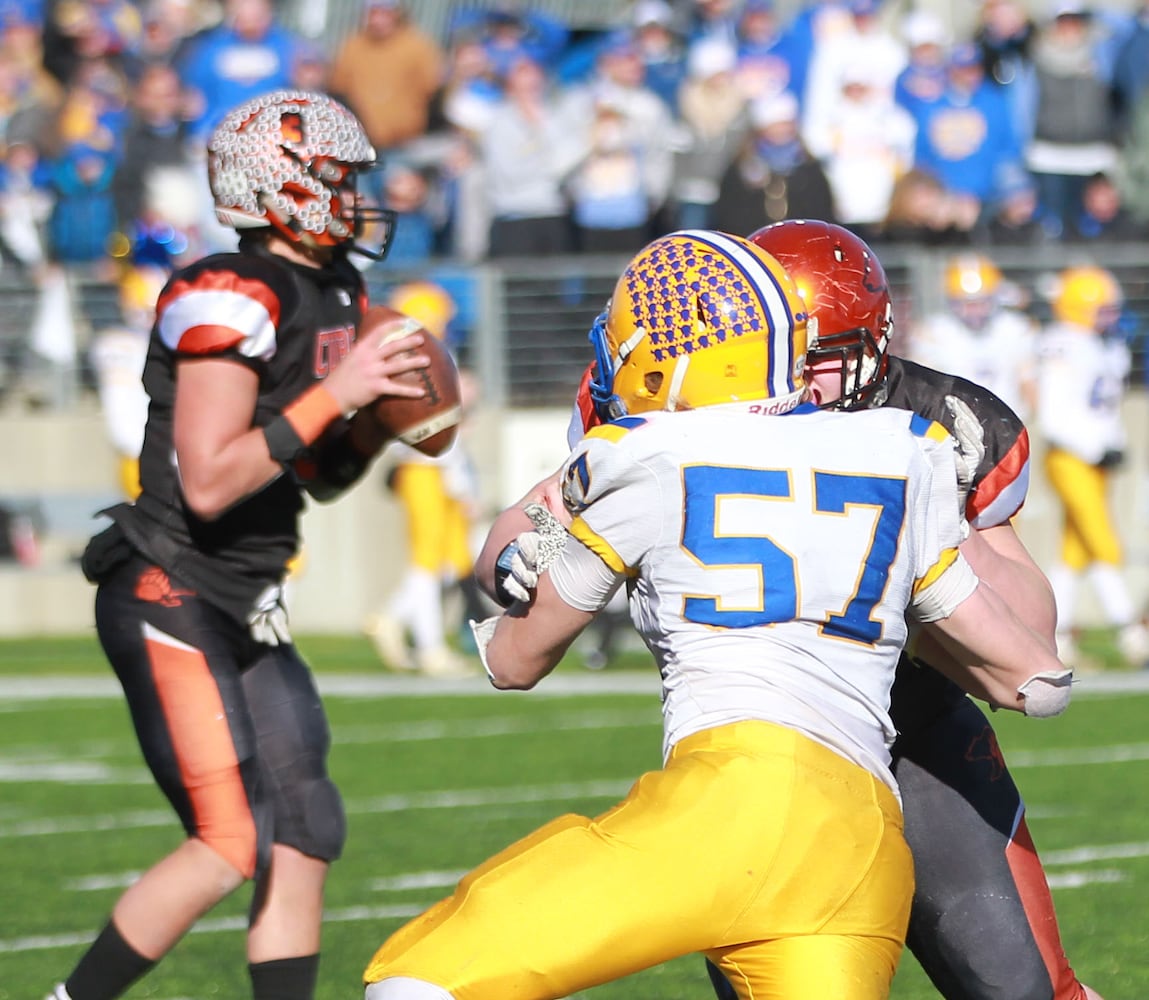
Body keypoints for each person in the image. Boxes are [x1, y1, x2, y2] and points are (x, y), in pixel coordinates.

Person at [362, 230, 1073, 1000]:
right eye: (788, 347)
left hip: (900, 733)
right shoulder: (878, 446)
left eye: (819, 353)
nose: (803, 374)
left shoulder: (911, 428)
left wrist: (924, 549)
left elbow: (1029, 628)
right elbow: (1033, 675)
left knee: (1025, 989)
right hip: (786, 775)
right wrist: (519, 557)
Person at [43, 89, 429, 1000]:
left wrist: (384, 424)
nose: (351, 194)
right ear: (282, 186)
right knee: (231, 839)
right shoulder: (228, 289)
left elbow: (312, 476)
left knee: (305, 828)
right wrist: (342, 395)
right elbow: (212, 480)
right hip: (171, 586)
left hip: (247, 595)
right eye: (335, 176)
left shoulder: (334, 290)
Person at [363, 279, 485, 677]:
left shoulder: (408, 356)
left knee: (452, 560)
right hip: (426, 468)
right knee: (428, 562)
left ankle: (392, 618)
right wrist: (461, 482)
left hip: (432, 467)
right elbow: (438, 430)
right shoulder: (419, 358)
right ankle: (429, 645)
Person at [1037, 264, 1149, 668]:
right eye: (1101, 309)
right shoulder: (1062, 343)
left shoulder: (1108, 346)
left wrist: (1113, 444)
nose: (1110, 316)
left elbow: (1105, 409)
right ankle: (1131, 631)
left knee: (1076, 550)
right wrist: (1094, 447)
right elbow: (1052, 413)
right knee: (1103, 539)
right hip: (1069, 456)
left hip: (1096, 458)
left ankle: (1059, 633)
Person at [908, 251, 1039, 421]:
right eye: (965, 303)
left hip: (1010, 426)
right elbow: (920, 393)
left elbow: (1030, 388)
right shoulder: (933, 333)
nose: (974, 312)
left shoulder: (1017, 328)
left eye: (981, 302)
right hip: (953, 430)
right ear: (951, 301)